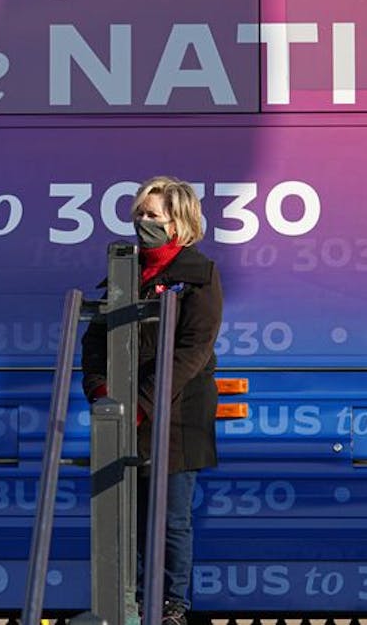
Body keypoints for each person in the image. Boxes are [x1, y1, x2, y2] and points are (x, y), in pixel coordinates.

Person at [80, 176, 221, 625]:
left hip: (177, 418)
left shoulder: (199, 276)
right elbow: (94, 342)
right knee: (130, 520)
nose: (142, 222)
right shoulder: (123, 272)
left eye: (152, 214)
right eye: (138, 213)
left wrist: (141, 402)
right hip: (125, 417)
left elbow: (193, 351)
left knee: (171, 519)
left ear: (177, 222)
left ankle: (172, 605)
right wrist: (100, 391)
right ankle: (134, 603)